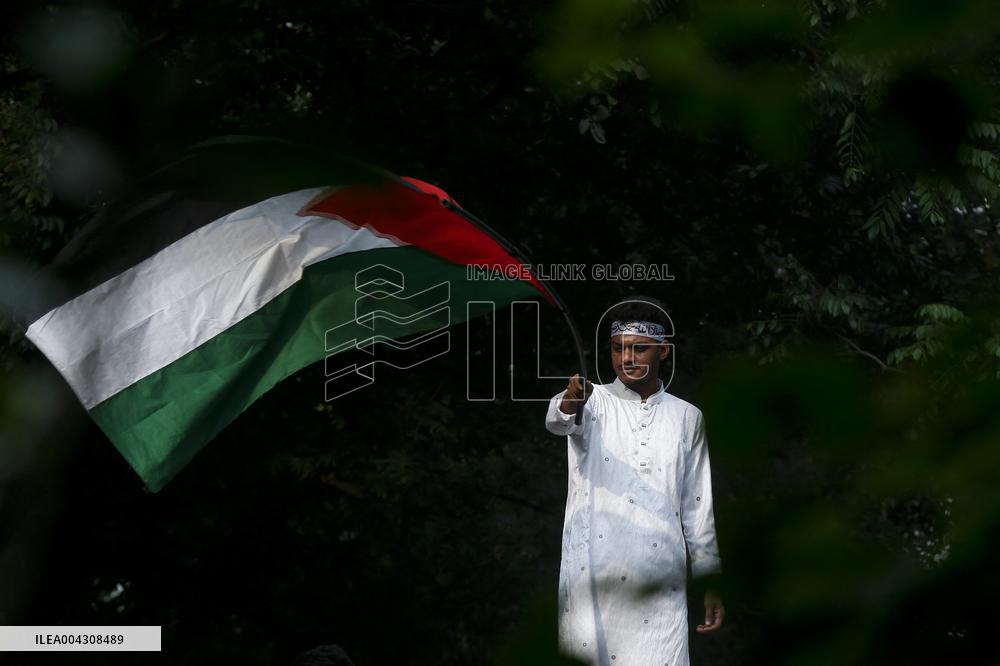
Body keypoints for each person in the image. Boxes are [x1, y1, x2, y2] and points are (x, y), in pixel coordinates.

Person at [544, 297, 724, 666]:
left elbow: (697, 509)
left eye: (638, 348)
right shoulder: (593, 401)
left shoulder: (688, 417)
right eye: (617, 348)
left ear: (664, 351)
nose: (626, 358)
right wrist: (571, 399)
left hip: (660, 585)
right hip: (592, 575)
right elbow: (557, 420)